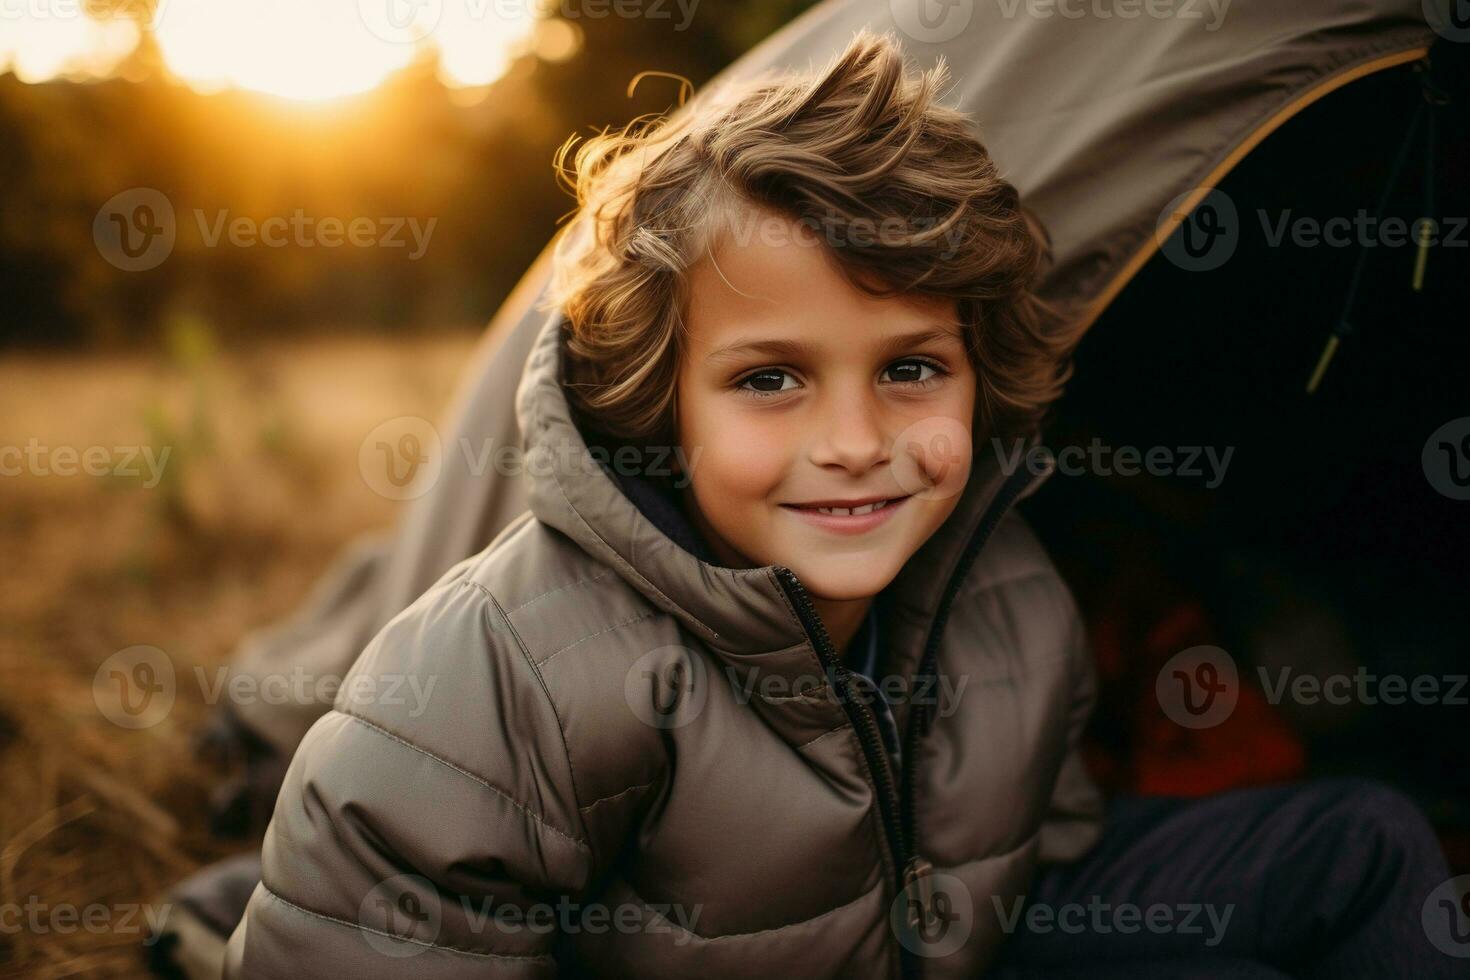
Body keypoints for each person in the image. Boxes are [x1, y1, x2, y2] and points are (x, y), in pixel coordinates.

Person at [221, 30, 1458, 979]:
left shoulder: (1014, 593)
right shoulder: (516, 665)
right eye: (771, 380)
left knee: (1359, 839)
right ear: (664, 403)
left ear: (983, 377)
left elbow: (1031, 869)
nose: (857, 443)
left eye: (911, 368)